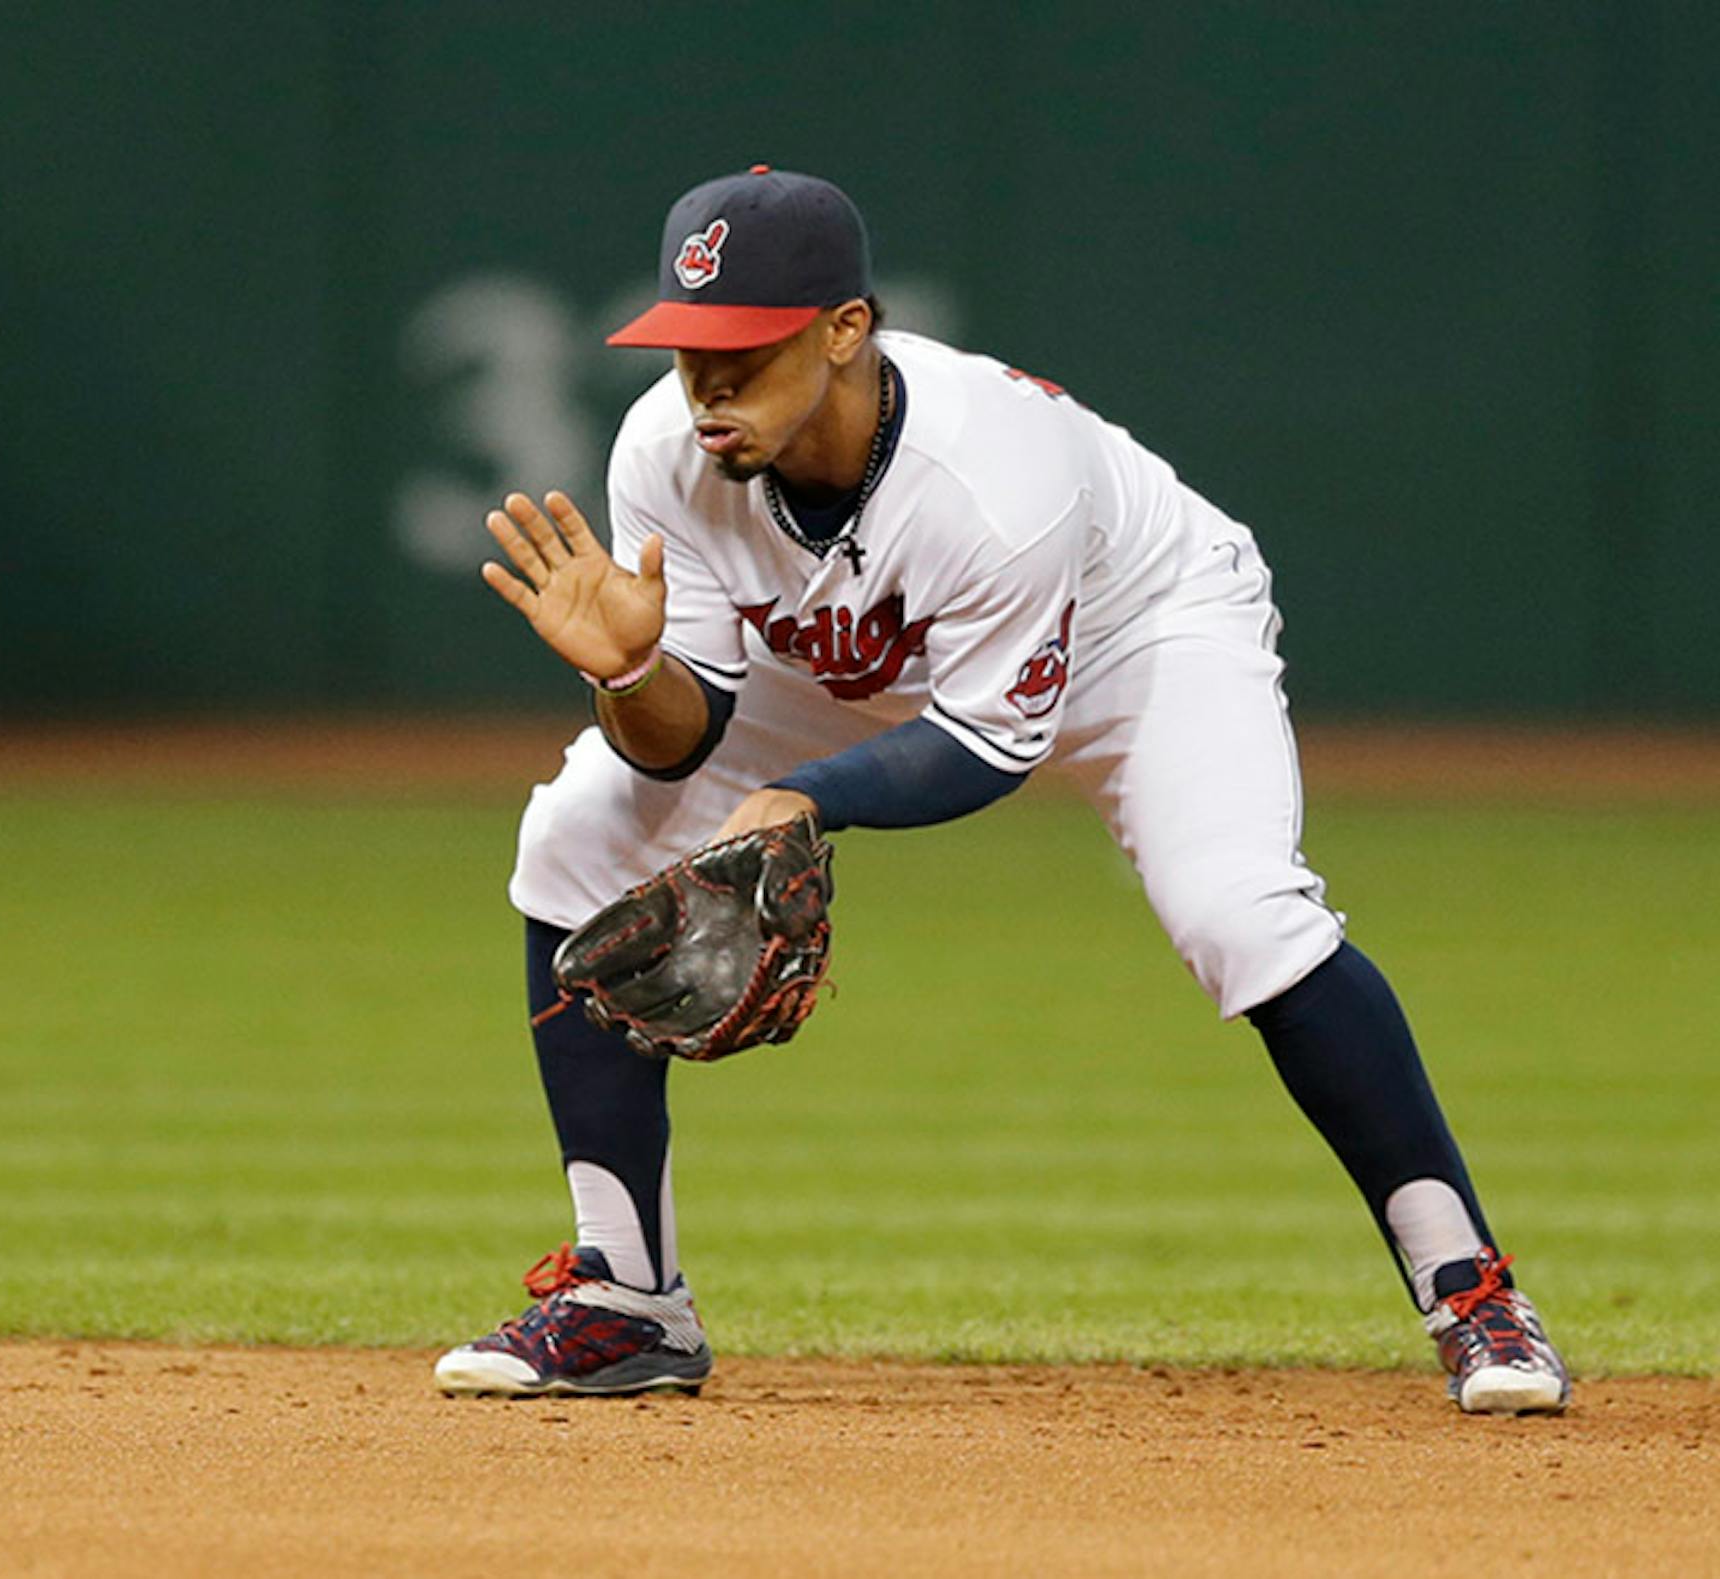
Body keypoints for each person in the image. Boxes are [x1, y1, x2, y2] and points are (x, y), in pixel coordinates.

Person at [434, 166, 1570, 1413]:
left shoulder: (988, 472)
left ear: (844, 330)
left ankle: (1473, 1291)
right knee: (575, 835)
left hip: (1139, 637)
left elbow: (988, 743)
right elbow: (677, 737)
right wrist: (636, 672)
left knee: (1240, 913)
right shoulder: (669, 445)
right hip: (852, 655)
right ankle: (627, 1299)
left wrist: (807, 798)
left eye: (745, 350)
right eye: (690, 346)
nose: (708, 382)